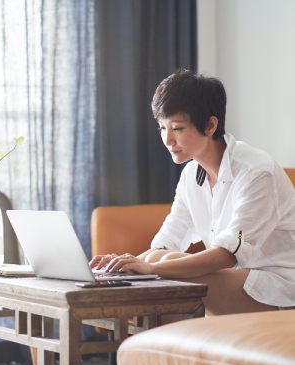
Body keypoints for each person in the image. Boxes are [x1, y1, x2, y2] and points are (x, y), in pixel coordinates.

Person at [90, 70, 295, 314]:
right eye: (162, 128)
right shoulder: (191, 174)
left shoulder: (257, 171)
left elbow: (227, 255)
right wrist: (123, 263)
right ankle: (158, 350)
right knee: (158, 259)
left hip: (279, 285)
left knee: (161, 270)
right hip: (237, 277)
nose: (167, 140)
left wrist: (151, 268)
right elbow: (168, 240)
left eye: (177, 128)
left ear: (210, 125)